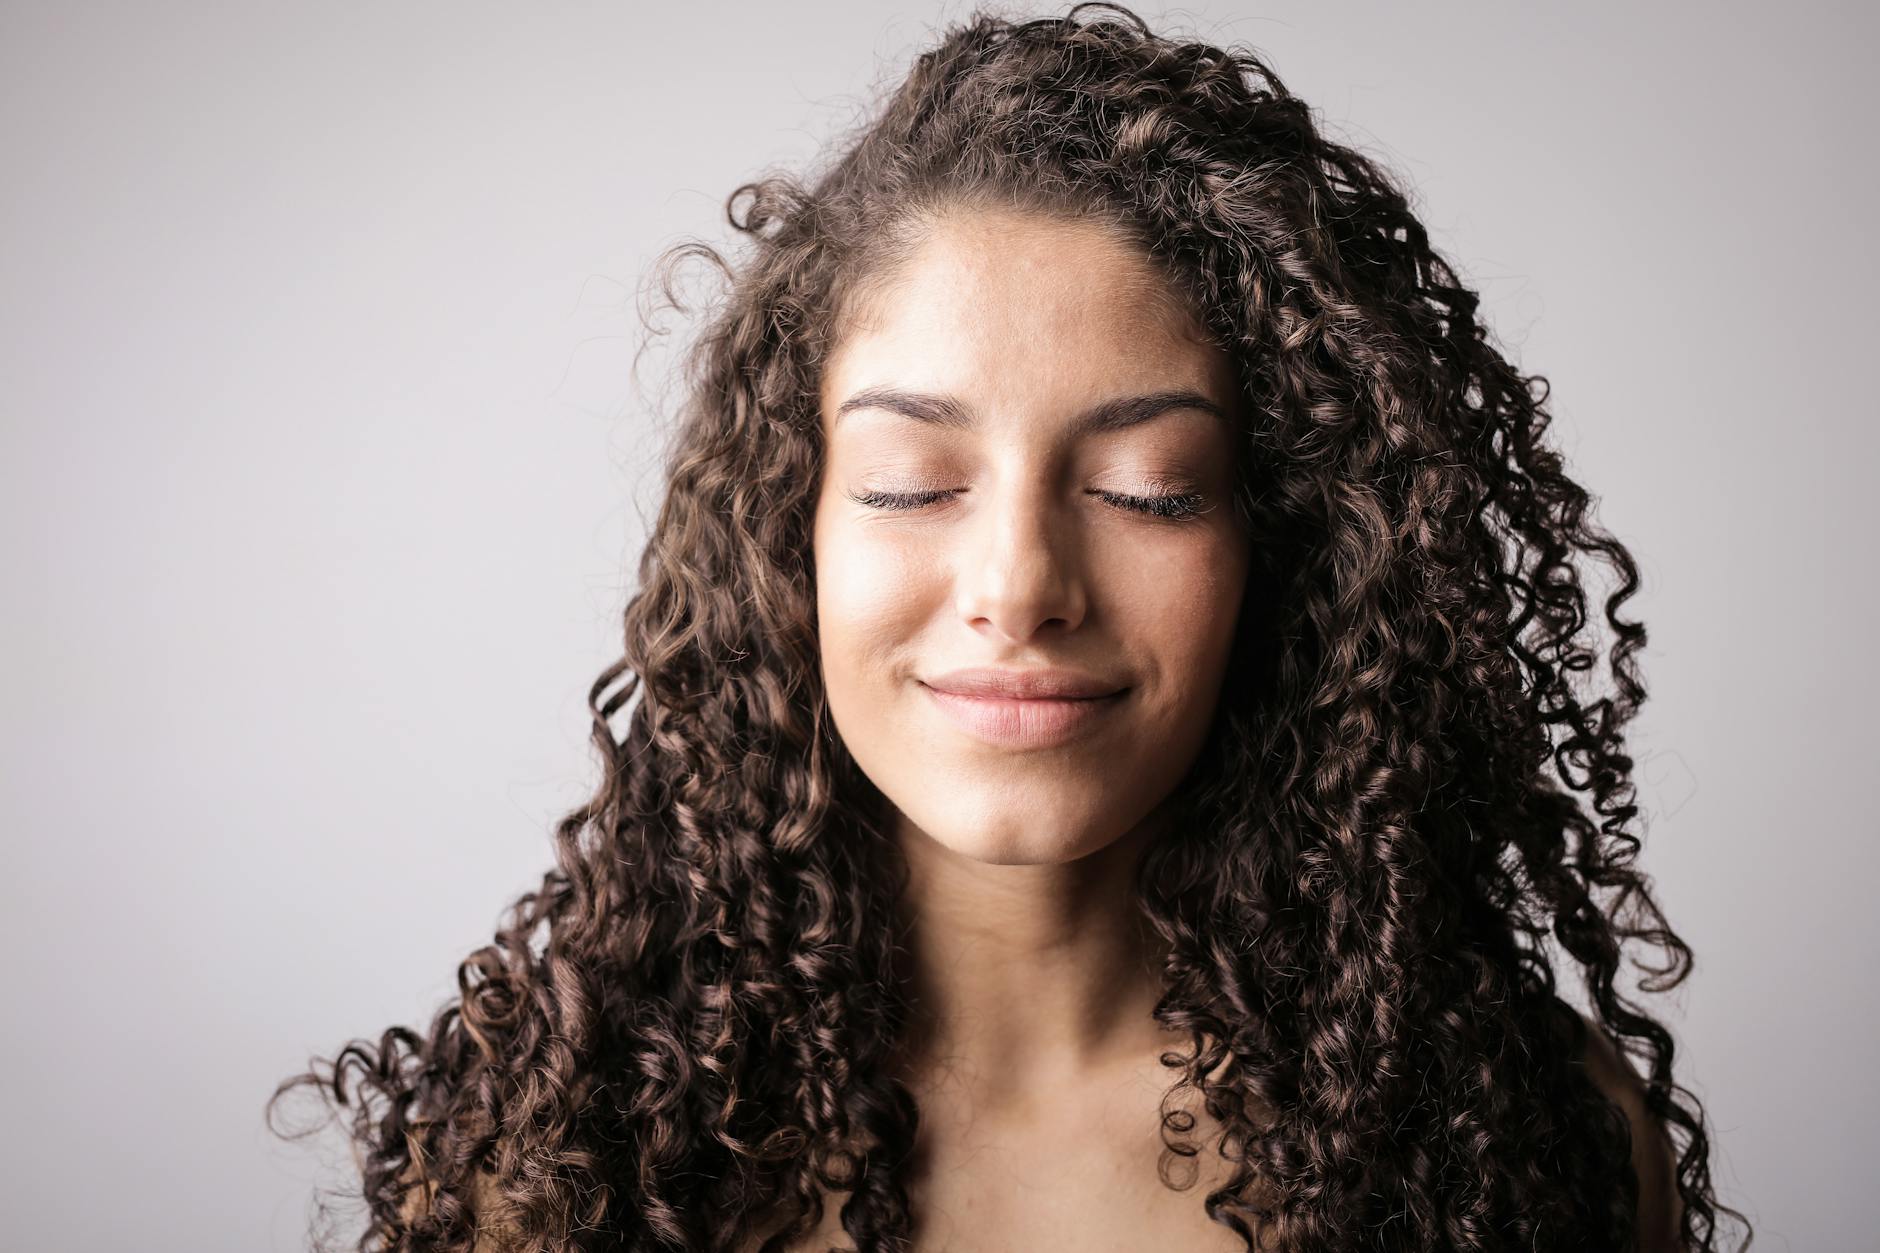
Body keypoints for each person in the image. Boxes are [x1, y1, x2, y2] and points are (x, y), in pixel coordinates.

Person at [269, 6, 1753, 1251]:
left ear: (1281, 549)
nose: (1019, 581)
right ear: (784, 540)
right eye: (915, 483)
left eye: (1144, 489)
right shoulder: (561, 1155)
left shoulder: (1517, 1145)